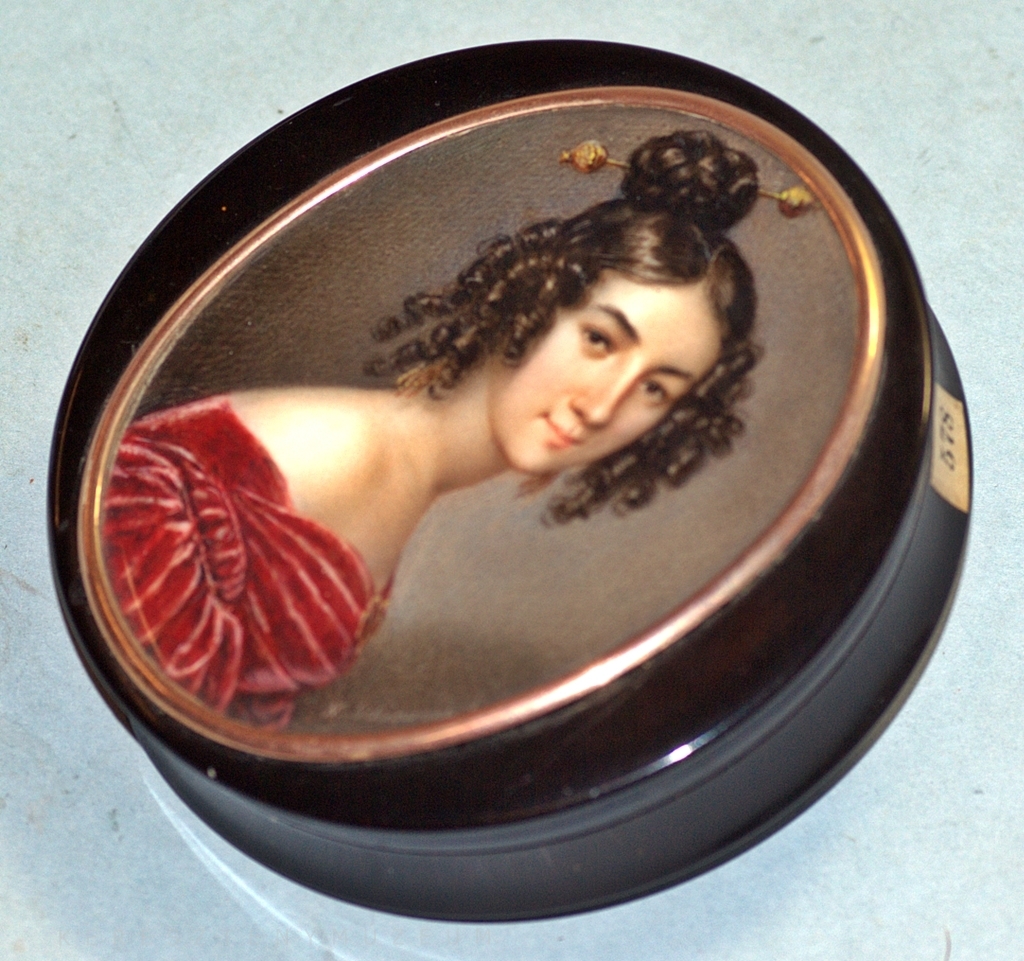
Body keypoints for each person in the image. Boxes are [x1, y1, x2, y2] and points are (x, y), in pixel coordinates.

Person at [102, 129, 761, 727]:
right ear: (536, 298)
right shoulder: (330, 452)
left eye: (656, 388)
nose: (604, 406)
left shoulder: (409, 478)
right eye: (598, 340)